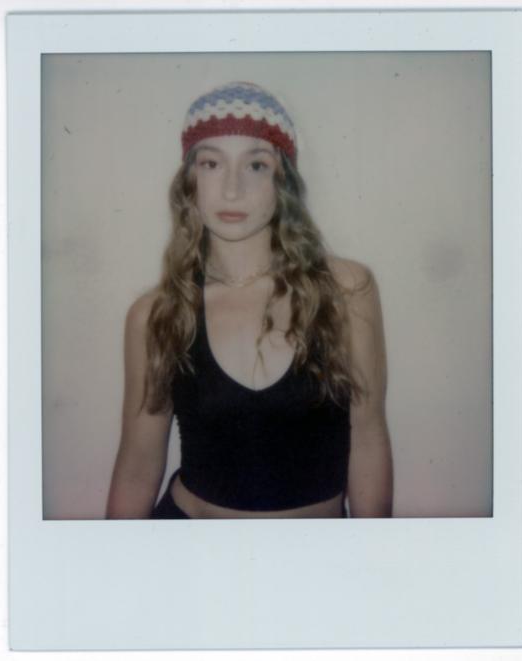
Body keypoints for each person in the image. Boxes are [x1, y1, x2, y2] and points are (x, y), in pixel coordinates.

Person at [106, 81, 392, 519]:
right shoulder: (157, 315)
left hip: (315, 556)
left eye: (256, 165)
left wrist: (375, 555)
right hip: (189, 548)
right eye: (211, 163)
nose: (232, 189)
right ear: (190, 181)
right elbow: (137, 466)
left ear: (283, 181)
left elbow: (368, 438)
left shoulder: (346, 292)